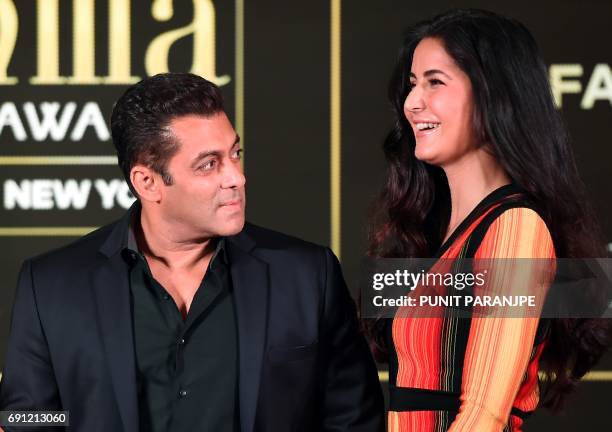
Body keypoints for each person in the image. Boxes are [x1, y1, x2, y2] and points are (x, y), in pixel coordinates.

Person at [0, 73, 384, 432]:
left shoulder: (307, 275)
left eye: (235, 154)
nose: (236, 177)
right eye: (209, 165)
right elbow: (29, 419)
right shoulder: (50, 286)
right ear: (148, 182)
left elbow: (352, 420)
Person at [366, 9, 611, 432]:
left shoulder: (516, 229)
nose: (412, 103)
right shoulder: (437, 233)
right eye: (412, 84)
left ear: (492, 94)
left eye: (435, 82)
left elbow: (485, 414)